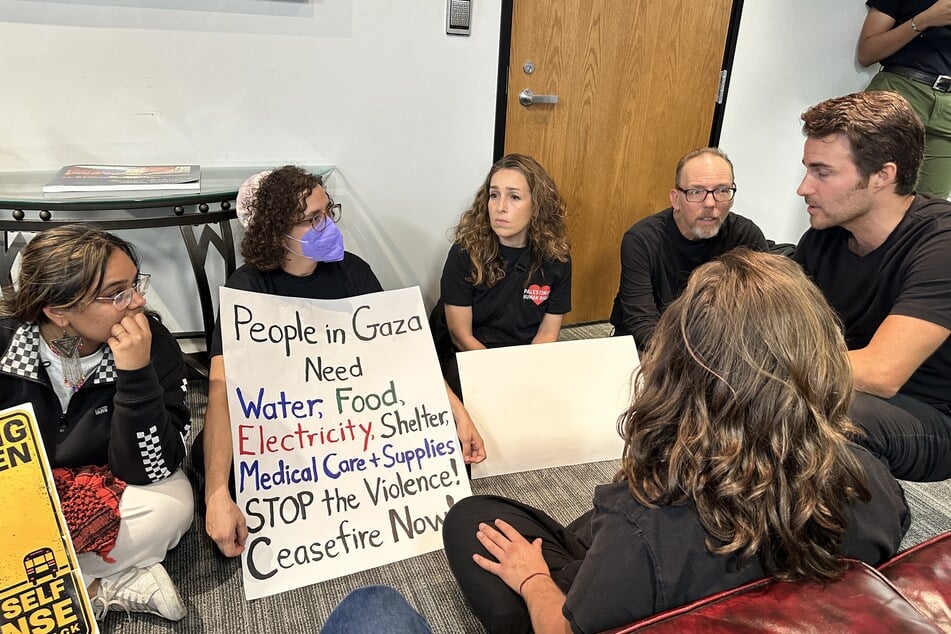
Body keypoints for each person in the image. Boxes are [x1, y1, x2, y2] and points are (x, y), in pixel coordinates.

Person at [442, 249, 910, 634]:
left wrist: (535, 581)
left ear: (679, 368)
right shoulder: (874, 480)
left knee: (472, 520)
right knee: (591, 521)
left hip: (639, 573)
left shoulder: (647, 517)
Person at [197, 166, 484, 558]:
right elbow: (221, 388)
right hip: (287, 423)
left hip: (350, 413)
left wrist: (456, 411)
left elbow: (404, 351)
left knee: (443, 446)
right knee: (218, 465)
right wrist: (215, 492)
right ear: (276, 233)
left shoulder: (354, 272)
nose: (327, 225)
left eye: (328, 212)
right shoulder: (246, 289)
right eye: (312, 219)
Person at [0, 225, 193, 621]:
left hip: (103, 479)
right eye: (117, 293)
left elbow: (150, 469)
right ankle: (99, 588)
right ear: (58, 311)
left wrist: (136, 376)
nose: (138, 300)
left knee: (172, 504)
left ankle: (46, 590)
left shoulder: (152, 344)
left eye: (136, 284)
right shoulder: (6, 343)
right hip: (19, 491)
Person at [794, 91, 951, 482]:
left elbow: (882, 373)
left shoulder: (942, 241)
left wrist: (759, 367)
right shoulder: (823, 238)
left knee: (822, 414)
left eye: (822, 172)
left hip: (931, 416)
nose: (803, 188)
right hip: (847, 390)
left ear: (883, 175)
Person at [435, 154, 571, 395]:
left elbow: (548, 333)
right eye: (494, 195)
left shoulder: (556, 258)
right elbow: (460, 336)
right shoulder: (464, 253)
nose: (500, 207)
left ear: (537, 205)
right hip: (473, 356)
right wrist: (502, 373)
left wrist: (525, 371)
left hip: (525, 359)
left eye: (514, 197)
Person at [608, 147, 767, 351]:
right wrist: (685, 364)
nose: (710, 203)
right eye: (696, 191)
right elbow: (642, 322)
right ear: (676, 199)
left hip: (719, 347)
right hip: (652, 345)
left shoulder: (747, 237)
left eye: (722, 190)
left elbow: (761, 315)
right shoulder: (642, 240)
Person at [857, 0, 951, 199]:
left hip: (948, 110)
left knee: (931, 210)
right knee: (865, 192)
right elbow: (867, 53)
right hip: (899, 92)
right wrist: (924, 20)